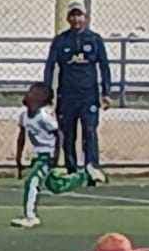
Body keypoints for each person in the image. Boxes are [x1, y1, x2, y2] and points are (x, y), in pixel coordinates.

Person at [13, 82, 105, 228]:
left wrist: (55, 155)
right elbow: (21, 137)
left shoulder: (44, 117)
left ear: (40, 100)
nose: (28, 94)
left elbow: (59, 134)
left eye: (33, 93)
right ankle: (86, 176)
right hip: (38, 156)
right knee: (56, 186)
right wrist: (19, 158)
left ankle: (30, 217)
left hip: (47, 156)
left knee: (31, 181)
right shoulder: (24, 116)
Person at [42, 1, 112, 172]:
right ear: (68, 18)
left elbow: (104, 66)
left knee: (90, 132)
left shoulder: (94, 40)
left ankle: (91, 169)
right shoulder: (60, 40)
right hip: (67, 95)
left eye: (79, 15)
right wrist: (47, 92)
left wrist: (106, 92)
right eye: (73, 15)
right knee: (67, 135)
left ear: (85, 18)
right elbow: (50, 66)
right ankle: (71, 169)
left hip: (88, 95)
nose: (76, 19)